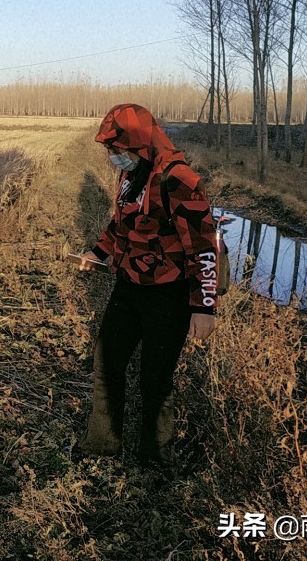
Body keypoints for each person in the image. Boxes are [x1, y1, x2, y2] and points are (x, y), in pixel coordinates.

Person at [74, 103, 218, 468]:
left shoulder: (180, 181)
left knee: (155, 380)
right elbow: (119, 226)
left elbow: (203, 247)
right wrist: (97, 255)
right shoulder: (130, 176)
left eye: (116, 149)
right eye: (109, 149)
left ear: (139, 145)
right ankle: (102, 444)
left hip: (168, 295)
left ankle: (156, 461)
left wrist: (203, 308)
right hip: (129, 286)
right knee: (107, 360)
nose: (111, 156)